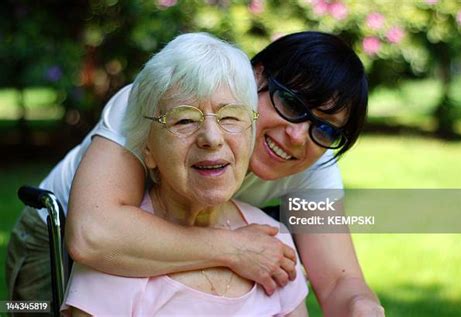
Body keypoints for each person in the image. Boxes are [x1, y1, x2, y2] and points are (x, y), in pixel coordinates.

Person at [7, 31, 384, 316]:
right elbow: (93, 235)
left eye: (327, 128)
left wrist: (362, 306)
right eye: (291, 103)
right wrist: (235, 249)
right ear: (254, 77)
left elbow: (337, 279)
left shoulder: (313, 161)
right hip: (59, 229)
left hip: (195, 227)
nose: (298, 135)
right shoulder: (159, 103)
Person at [61, 32, 308, 316]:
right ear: (148, 151)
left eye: (230, 117)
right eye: (185, 119)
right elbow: (89, 237)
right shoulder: (116, 255)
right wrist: (233, 249)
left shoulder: (273, 241)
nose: (212, 138)